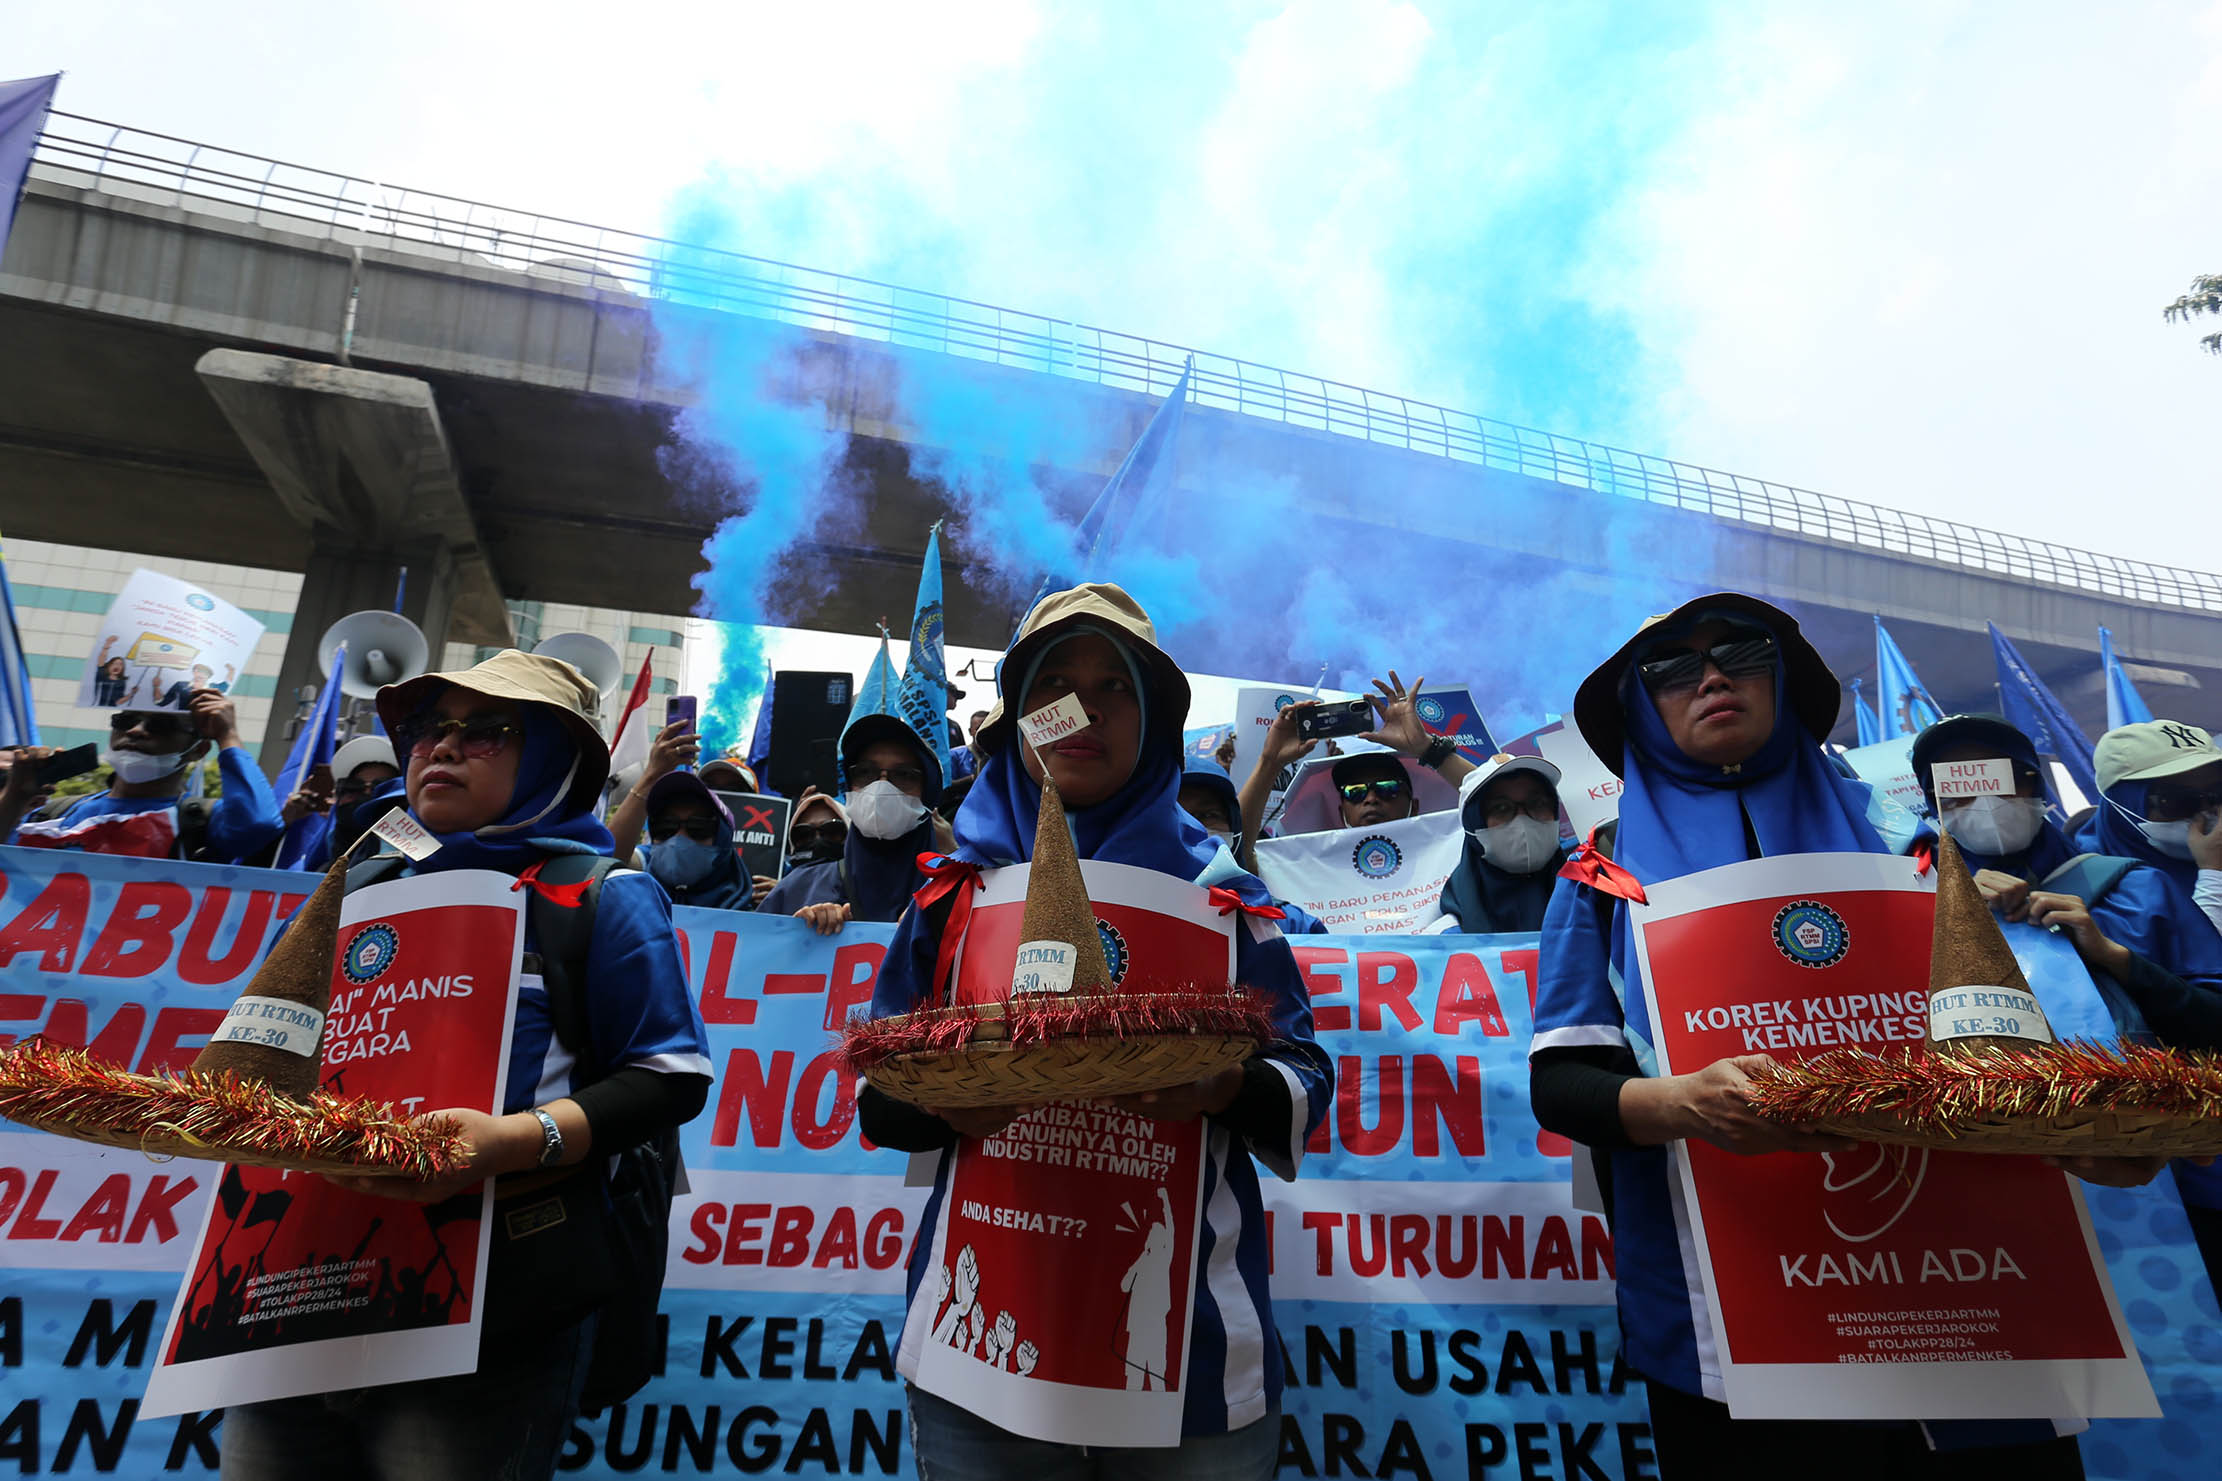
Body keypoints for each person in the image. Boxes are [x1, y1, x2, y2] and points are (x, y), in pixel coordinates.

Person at [1528, 593, 2085, 1477]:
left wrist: (2092, 1131)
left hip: (1970, 1288)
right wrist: (1682, 1102)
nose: (1711, 676)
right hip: (1728, 1314)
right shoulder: (1601, 878)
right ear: (1640, 708)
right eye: (1671, 670)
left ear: (1782, 678)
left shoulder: (1914, 852)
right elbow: (1564, 1087)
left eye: (1741, 653)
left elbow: (2015, 1050)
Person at [858, 582, 1329, 1477]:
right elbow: (878, 1096)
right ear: (1020, 714)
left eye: (1116, 686)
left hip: (1188, 1363)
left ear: (1152, 718)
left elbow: (1306, 1074)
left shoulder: (1225, 895)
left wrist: (1224, 1084)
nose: (1082, 710)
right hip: (983, 1349)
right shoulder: (953, 892)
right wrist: (951, 1102)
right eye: (1053, 685)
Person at [221, 650, 711, 1481]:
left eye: (483, 730)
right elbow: (259, 1058)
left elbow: (670, 1076)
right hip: (295, 1295)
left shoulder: (600, 892)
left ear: (557, 757)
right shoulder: (351, 887)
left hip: (491, 1314)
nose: (438, 749)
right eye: (424, 729)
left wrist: (513, 1141)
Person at [2, 692, 283, 862]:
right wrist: (14, 796)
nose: (135, 731)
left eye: (160, 725)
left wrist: (228, 735)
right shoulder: (50, 815)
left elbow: (259, 825)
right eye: (125, 721)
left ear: (198, 750)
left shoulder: (201, 823)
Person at [759, 712, 944, 933]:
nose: (881, 787)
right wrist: (798, 935)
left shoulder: (963, 896)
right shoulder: (798, 889)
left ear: (927, 794)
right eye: (865, 772)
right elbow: (750, 956)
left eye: (903, 775)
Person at [2077, 719, 2222, 941]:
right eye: (2177, 801)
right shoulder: (2090, 889)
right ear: (2124, 806)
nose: (2205, 813)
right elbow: (2193, 967)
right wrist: (2213, 875)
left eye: (2217, 793)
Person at [1439, 754, 1569, 933]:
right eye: (1501, 808)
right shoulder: (1445, 938)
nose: (1523, 820)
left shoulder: (1602, 901)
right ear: (1474, 824)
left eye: (1537, 803)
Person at [632, 768, 757, 911]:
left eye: (698, 828)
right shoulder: (627, 903)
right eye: (665, 827)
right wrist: (651, 774)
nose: (678, 839)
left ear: (723, 842)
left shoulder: (756, 918)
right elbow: (609, 859)